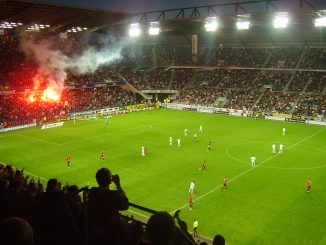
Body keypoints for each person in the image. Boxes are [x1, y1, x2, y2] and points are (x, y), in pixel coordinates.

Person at [88, 168, 129, 245]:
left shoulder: (92, 192)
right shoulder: (113, 195)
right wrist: (118, 185)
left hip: (96, 230)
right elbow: (126, 205)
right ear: (110, 181)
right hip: (110, 233)